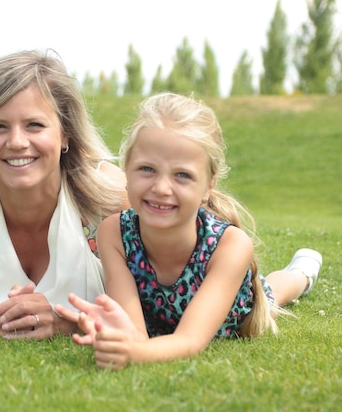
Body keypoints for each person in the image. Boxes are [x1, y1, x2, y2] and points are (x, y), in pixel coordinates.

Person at [55, 92, 323, 368]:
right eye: (147, 169)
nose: (161, 188)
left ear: (208, 185)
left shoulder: (231, 245)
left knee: (273, 293)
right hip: (164, 321)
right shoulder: (113, 233)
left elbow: (190, 340)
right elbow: (135, 333)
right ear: (126, 172)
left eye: (182, 175)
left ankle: (302, 274)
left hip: (234, 309)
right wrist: (122, 340)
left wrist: (135, 354)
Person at [0, 50, 129, 339]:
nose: (16, 142)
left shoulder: (109, 196)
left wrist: (60, 324)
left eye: (34, 125)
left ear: (66, 133)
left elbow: (138, 310)